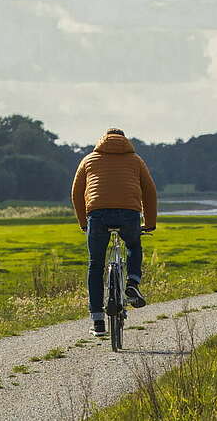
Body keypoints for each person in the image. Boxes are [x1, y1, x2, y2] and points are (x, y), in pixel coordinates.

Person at [70, 128, 158, 336]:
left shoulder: (89, 159)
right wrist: (150, 222)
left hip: (97, 214)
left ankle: (98, 321)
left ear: (102, 140)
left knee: (95, 265)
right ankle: (133, 283)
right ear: (125, 140)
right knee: (134, 245)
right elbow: (149, 190)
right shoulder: (136, 160)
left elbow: (76, 193)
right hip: (129, 213)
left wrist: (84, 223)